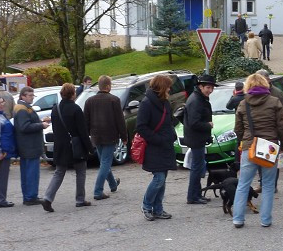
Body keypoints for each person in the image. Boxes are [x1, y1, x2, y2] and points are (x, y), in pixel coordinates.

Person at [232, 73, 283, 229]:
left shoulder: (243, 104)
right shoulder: (274, 102)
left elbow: (238, 129)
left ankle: (238, 219)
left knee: (243, 184)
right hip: (269, 147)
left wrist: (244, 141)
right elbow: (282, 127)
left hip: (249, 148)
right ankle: (265, 220)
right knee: (269, 185)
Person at [43, 83, 93, 211]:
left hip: (60, 145)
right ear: (73, 94)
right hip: (75, 145)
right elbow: (83, 132)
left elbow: (55, 129)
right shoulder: (76, 109)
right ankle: (80, 199)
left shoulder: (56, 109)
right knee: (80, 171)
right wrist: (89, 147)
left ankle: (48, 197)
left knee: (59, 172)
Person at [136, 75, 178, 221]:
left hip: (165, 145)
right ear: (161, 87)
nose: (170, 89)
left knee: (163, 178)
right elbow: (141, 127)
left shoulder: (164, 102)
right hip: (154, 146)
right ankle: (146, 206)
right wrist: (157, 139)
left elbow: (168, 121)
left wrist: (173, 131)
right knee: (159, 178)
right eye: (168, 86)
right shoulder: (147, 103)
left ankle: (158, 209)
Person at [83, 75, 128, 200]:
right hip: (110, 136)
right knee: (105, 162)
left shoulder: (89, 101)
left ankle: (113, 184)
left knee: (104, 161)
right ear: (108, 86)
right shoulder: (114, 100)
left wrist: (86, 136)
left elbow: (85, 121)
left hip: (96, 137)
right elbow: (120, 121)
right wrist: (124, 137)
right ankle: (98, 191)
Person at [13, 86, 50, 205]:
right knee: (31, 173)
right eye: (30, 95)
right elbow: (24, 127)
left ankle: (29, 196)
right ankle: (30, 197)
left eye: (33, 95)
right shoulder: (23, 109)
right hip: (29, 146)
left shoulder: (22, 107)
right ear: (23, 96)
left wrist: (40, 122)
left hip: (27, 145)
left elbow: (27, 123)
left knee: (27, 172)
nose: (32, 98)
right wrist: (41, 125)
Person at [183, 74, 216, 205]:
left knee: (198, 166)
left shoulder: (199, 97)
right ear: (200, 86)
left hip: (197, 138)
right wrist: (208, 125)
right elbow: (194, 123)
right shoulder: (196, 100)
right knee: (197, 168)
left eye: (212, 88)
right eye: (208, 87)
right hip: (195, 139)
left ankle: (196, 194)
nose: (210, 90)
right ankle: (193, 196)